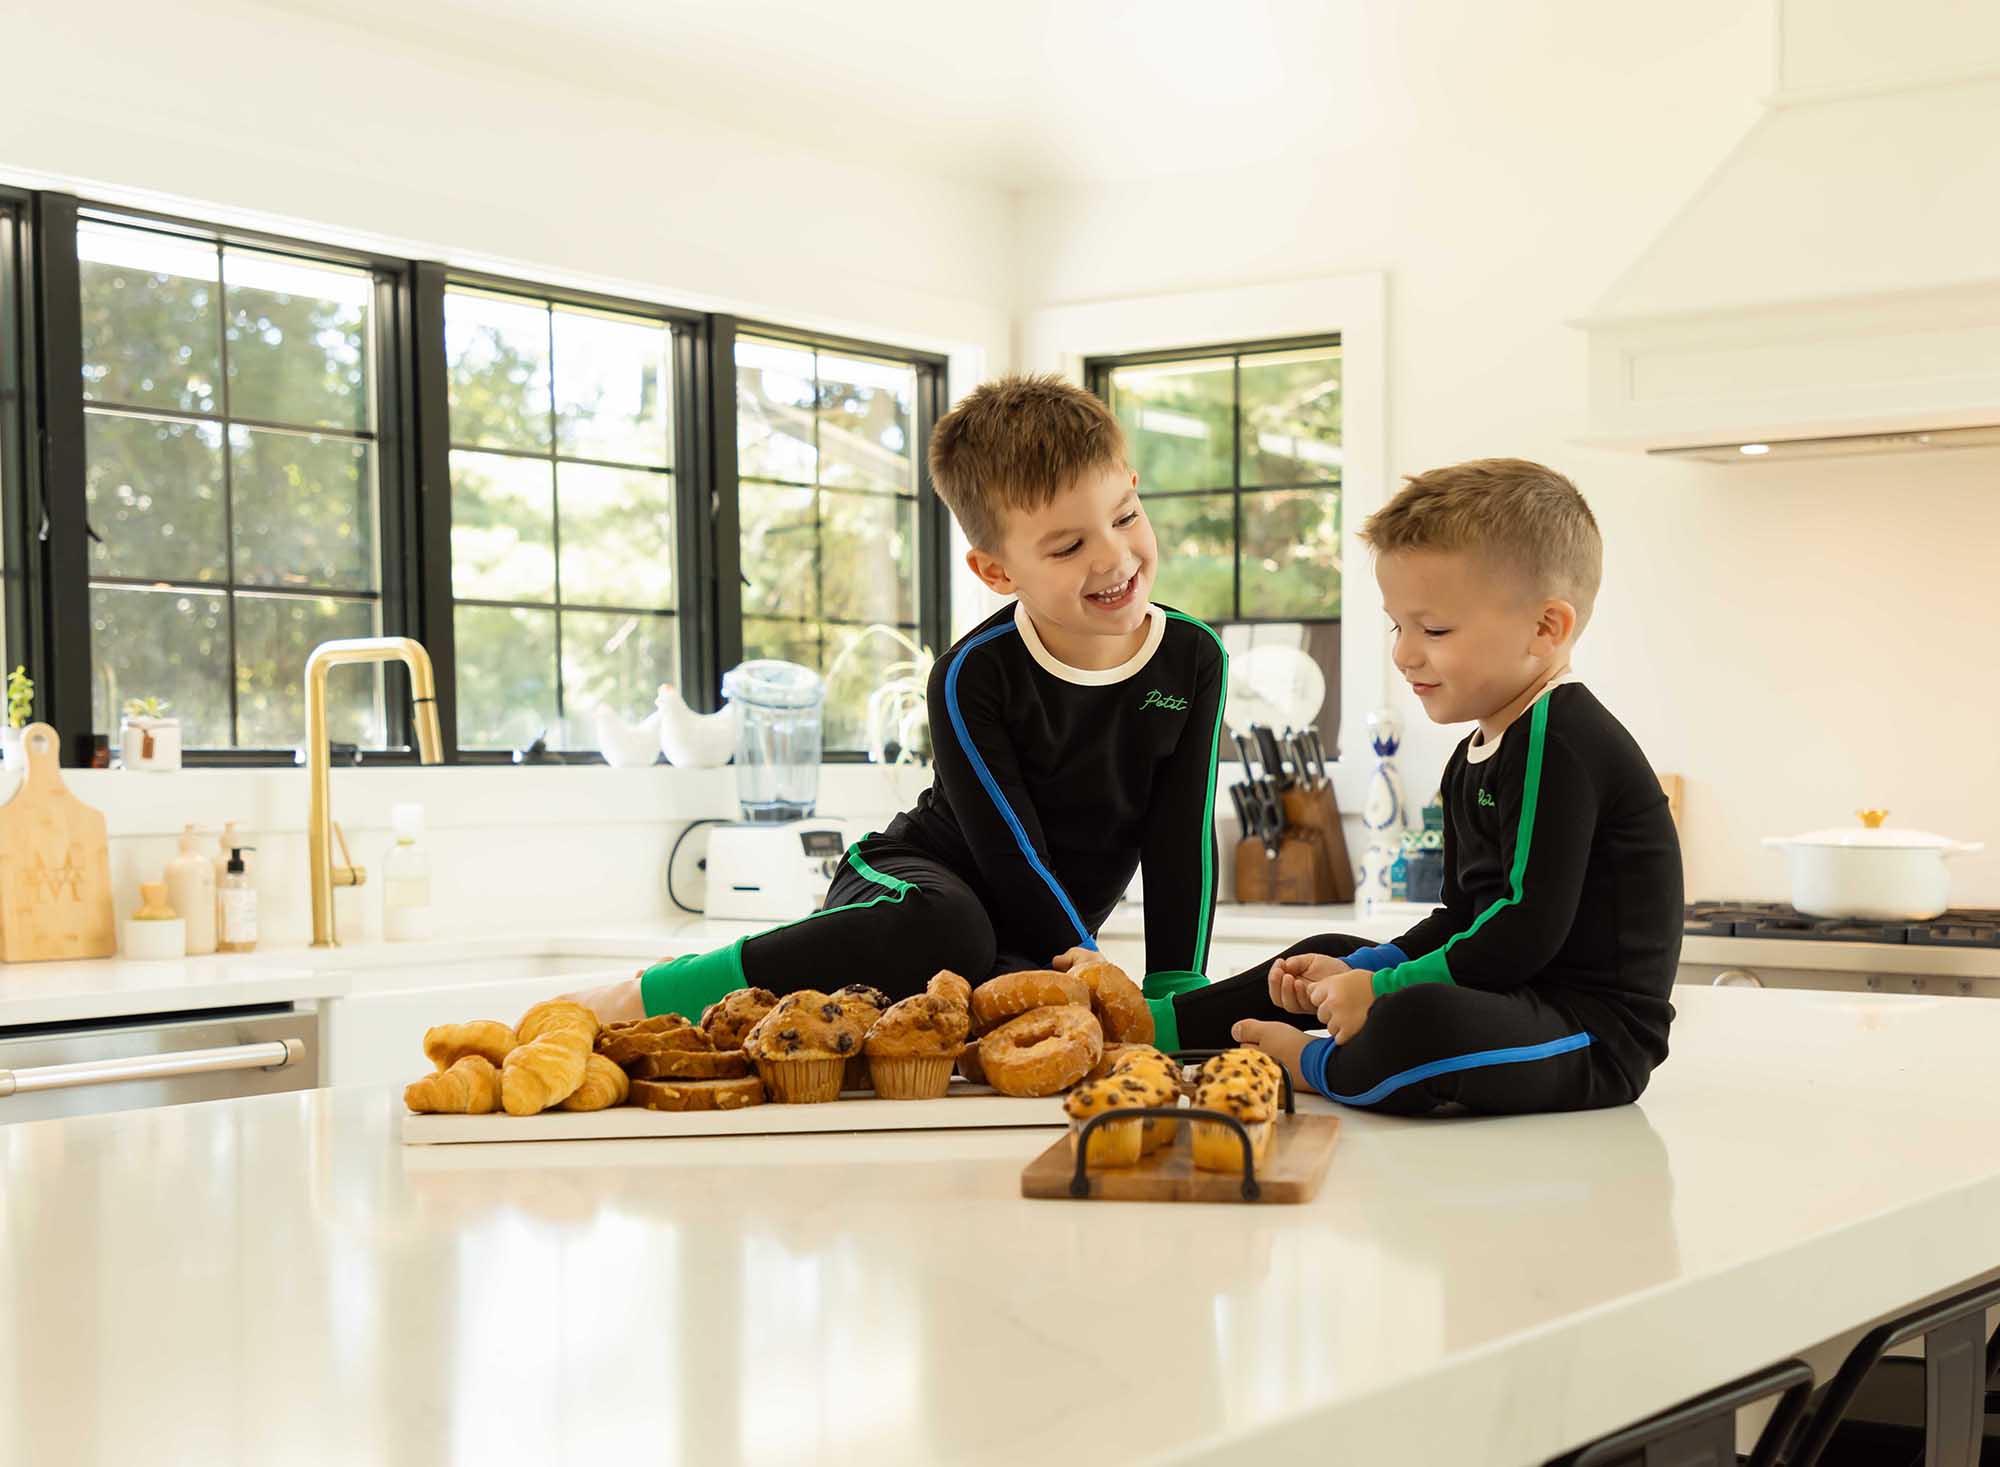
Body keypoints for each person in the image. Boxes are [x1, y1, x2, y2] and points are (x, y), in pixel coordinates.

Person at [571, 374, 1226, 1033]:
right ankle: (656, 991)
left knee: (988, 981)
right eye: (1068, 545)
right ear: (997, 572)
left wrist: (1176, 998)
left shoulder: (1194, 658)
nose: (1115, 556)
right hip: (910, 890)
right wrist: (1097, 978)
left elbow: (1181, 840)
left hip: (1026, 944)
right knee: (950, 926)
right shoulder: (971, 675)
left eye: (1124, 517)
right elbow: (1012, 855)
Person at [1180, 458, 1682, 1116]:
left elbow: (1522, 931)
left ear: (1546, 628)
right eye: (1398, 625)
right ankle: (1166, 1028)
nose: (1403, 653)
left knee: (1419, 1020)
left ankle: (1308, 1060)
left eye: (1434, 629)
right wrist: (1366, 972)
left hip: (1589, 1035)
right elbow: (1460, 920)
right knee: (1330, 952)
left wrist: (1382, 989)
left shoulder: (1556, 744)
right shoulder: (1473, 755)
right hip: (1516, 998)